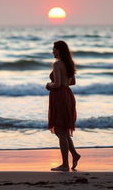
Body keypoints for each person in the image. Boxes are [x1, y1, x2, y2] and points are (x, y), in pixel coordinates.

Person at [46, 40, 81, 172]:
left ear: (59, 50)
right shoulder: (69, 64)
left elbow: (58, 84)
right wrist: (60, 82)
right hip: (68, 96)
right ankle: (75, 154)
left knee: (60, 131)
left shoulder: (57, 64)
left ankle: (65, 165)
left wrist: (49, 84)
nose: (52, 51)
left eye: (54, 49)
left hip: (60, 97)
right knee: (63, 131)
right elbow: (72, 82)